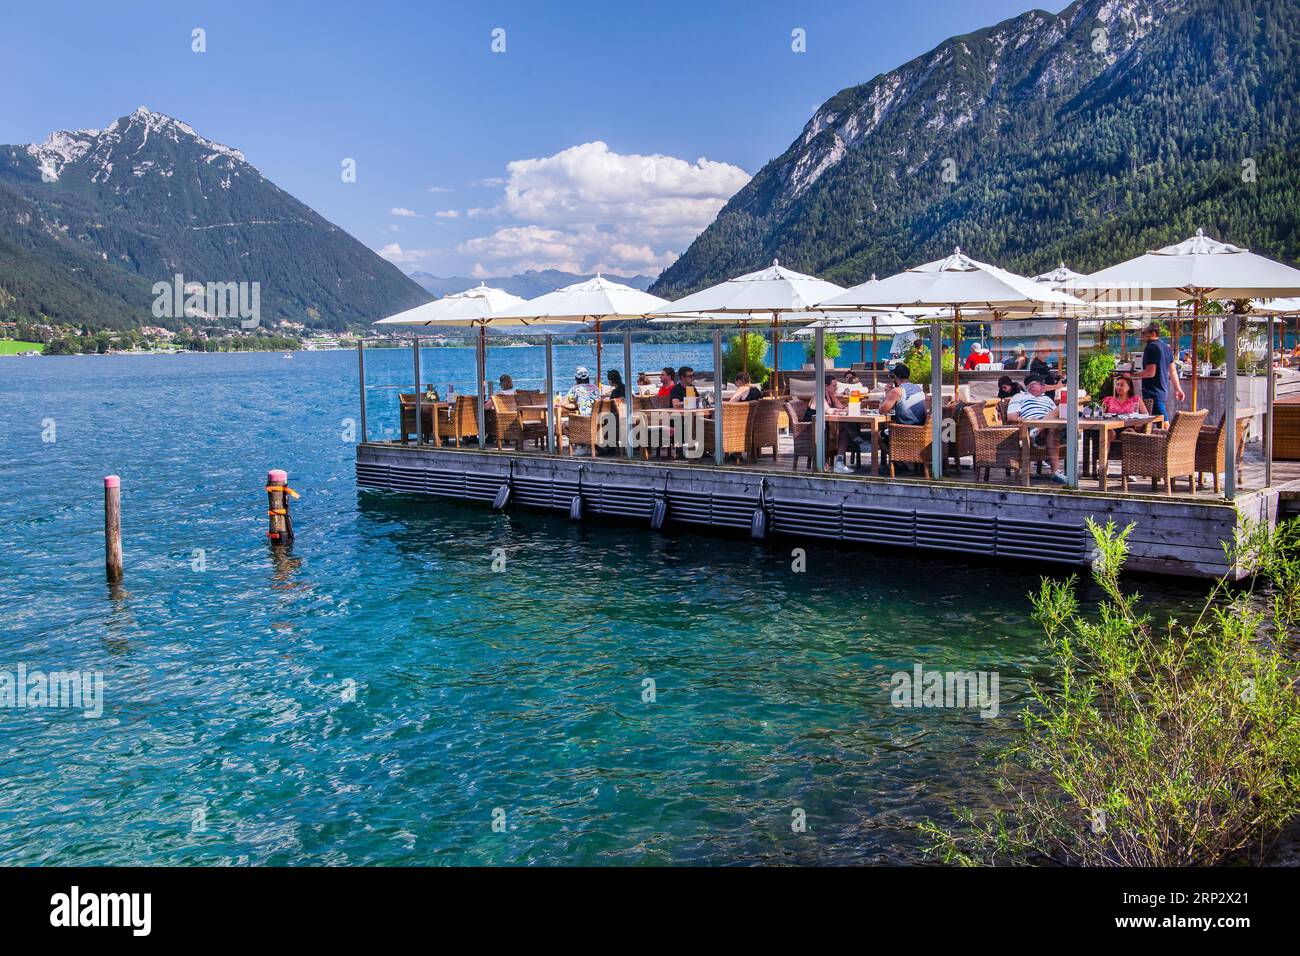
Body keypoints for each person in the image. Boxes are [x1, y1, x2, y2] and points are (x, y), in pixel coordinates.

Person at [1006, 374, 1066, 484]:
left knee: (1054, 425)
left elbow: (1055, 415)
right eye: (1041, 384)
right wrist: (1026, 420)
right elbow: (1011, 417)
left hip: (1050, 427)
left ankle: (1056, 473)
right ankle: (1056, 472)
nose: (1044, 387)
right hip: (1031, 425)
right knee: (1061, 407)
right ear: (1031, 386)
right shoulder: (1019, 397)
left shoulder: (1047, 398)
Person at [1125, 322, 1183, 420]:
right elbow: (1173, 371)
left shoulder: (1151, 347)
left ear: (1153, 334)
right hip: (1162, 390)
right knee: (1153, 420)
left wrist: (1130, 375)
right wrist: (1178, 389)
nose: (1141, 336)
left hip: (1152, 391)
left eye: (1144, 333)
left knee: (1163, 421)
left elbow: (1150, 373)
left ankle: (1170, 435)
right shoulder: (1166, 347)